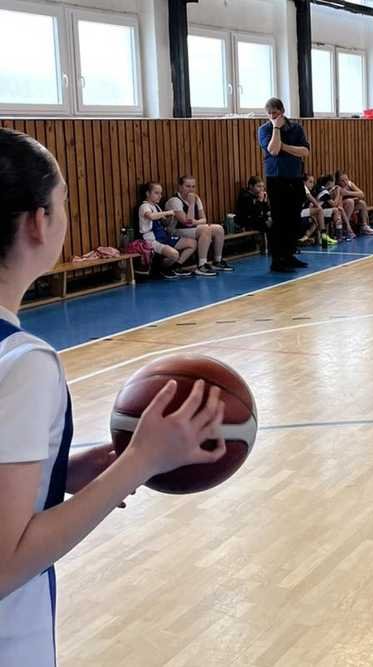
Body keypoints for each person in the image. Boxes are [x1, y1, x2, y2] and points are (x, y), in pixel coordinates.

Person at [0, 127, 227, 665]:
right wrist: (138, 463)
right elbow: (5, 565)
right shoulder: (23, 363)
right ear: (39, 222)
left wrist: (62, 471)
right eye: (63, 202)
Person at [258, 97, 310, 273]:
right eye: (269, 114)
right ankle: (277, 260)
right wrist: (276, 128)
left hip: (295, 178)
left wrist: (284, 147)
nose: (272, 116)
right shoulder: (265, 129)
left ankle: (289, 254)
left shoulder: (296, 128)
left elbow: (305, 151)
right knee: (279, 220)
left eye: (275, 113)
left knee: (294, 219)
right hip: (276, 179)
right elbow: (273, 150)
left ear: (282, 111)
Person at [164, 176, 231, 276]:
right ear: (180, 187)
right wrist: (191, 205)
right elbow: (186, 222)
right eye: (188, 186)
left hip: (191, 229)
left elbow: (204, 219)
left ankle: (217, 261)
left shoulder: (196, 198)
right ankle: (201, 265)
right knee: (205, 229)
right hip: (174, 231)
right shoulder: (174, 201)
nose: (191, 189)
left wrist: (195, 222)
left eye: (193, 186)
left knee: (219, 228)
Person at [137, 182, 196, 280]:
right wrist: (167, 212)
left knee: (192, 243)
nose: (160, 196)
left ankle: (175, 267)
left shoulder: (157, 206)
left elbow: (164, 223)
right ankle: (161, 270)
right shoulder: (144, 206)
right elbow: (151, 216)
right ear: (147, 193)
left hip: (163, 236)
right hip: (151, 240)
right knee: (174, 254)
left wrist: (171, 218)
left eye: (160, 193)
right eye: (156, 193)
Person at [335, 171, 373, 236]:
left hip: (350, 206)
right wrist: (351, 198)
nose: (345, 182)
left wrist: (348, 193)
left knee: (362, 203)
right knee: (350, 201)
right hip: (341, 207)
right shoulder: (337, 187)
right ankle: (345, 227)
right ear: (338, 181)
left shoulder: (349, 184)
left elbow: (362, 194)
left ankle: (364, 226)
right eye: (342, 181)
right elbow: (338, 203)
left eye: (346, 179)